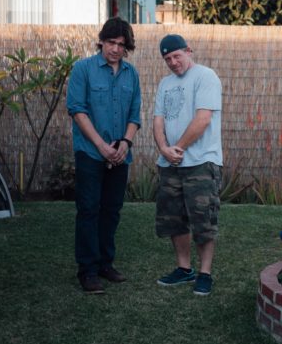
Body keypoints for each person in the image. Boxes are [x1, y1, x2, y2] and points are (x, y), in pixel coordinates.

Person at [66, 17, 141, 294]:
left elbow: (135, 114)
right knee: (88, 210)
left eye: (121, 45)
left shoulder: (131, 74)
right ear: (102, 41)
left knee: (111, 211)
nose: (115, 49)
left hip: (120, 156)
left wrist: (125, 143)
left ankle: (105, 264)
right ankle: (87, 270)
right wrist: (101, 146)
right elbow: (77, 110)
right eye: (111, 42)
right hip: (90, 154)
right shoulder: (83, 69)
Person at [153, 34, 222, 297]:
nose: (172, 62)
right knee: (174, 218)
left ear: (188, 51)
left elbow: (203, 119)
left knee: (203, 219)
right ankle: (184, 269)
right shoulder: (165, 83)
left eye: (176, 56)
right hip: (170, 163)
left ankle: (205, 273)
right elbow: (158, 120)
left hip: (201, 162)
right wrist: (163, 149)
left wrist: (177, 149)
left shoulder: (206, 77)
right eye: (167, 59)